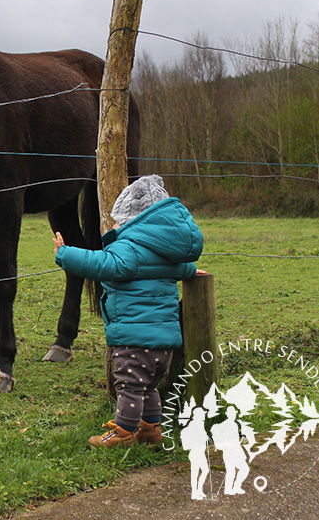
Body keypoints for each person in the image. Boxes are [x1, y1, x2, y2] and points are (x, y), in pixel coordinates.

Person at [53, 175, 204, 448]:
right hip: (165, 344)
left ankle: (123, 433)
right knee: (149, 388)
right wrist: (192, 271)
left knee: (129, 388)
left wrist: (65, 254)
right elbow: (178, 270)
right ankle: (151, 430)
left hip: (135, 339)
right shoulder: (164, 252)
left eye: (118, 219)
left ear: (135, 220)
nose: (114, 225)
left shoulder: (129, 248)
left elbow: (103, 264)